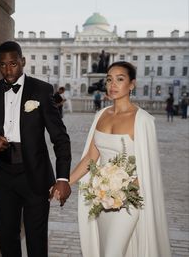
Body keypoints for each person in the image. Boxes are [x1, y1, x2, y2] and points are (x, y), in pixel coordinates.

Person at [0, 41, 71, 257]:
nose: (7, 70)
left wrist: (63, 178)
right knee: (7, 239)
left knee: (36, 241)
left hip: (36, 176)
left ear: (22, 61)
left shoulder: (41, 90)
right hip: (3, 177)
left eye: (13, 64)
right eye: (2, 65)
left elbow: (60, 138)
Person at [68, 61, 171, 257]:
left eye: (120, 79)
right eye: (109, 80)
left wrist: (121, 192)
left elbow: (147, 168)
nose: (112, 85)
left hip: (128, 202)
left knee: (112, 253)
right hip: (101, 200)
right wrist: (64, 182)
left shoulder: (144, 120)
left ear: (132, 84)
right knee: (105, 249)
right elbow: (91, 158)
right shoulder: (100, 115)